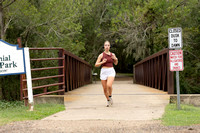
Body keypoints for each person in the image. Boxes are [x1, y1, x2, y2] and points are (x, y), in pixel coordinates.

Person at [95, 41, 118, 107]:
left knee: (109, 85)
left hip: (111, 70)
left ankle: (110, 96)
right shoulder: (101, 55)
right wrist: (102, 62)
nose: (107, 46)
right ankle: (108, 100)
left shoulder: (112, 54)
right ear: (104, 47)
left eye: (108, 45)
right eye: (105, 45)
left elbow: (116, 63)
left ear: (110, 47)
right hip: (103, 71)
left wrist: (115, 59)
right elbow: (96, 64)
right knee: (105, 89)